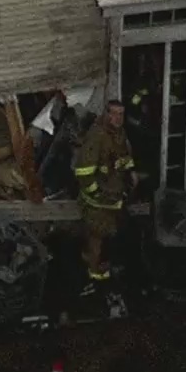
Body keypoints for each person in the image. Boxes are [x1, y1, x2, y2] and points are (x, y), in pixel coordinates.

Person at [73, 100, 138, 283]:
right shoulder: (96, 136)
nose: (117, 118)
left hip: (113, 196)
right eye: (114, 113)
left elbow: (124, 156)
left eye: (121, 114)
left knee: (108, 235)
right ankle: (94, 276)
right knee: (97, 237)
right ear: (105, 114)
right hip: (98, 201)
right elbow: (83, 171)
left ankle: (99, 267)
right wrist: (95, 194)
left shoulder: (119, 134)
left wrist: (131, 173)